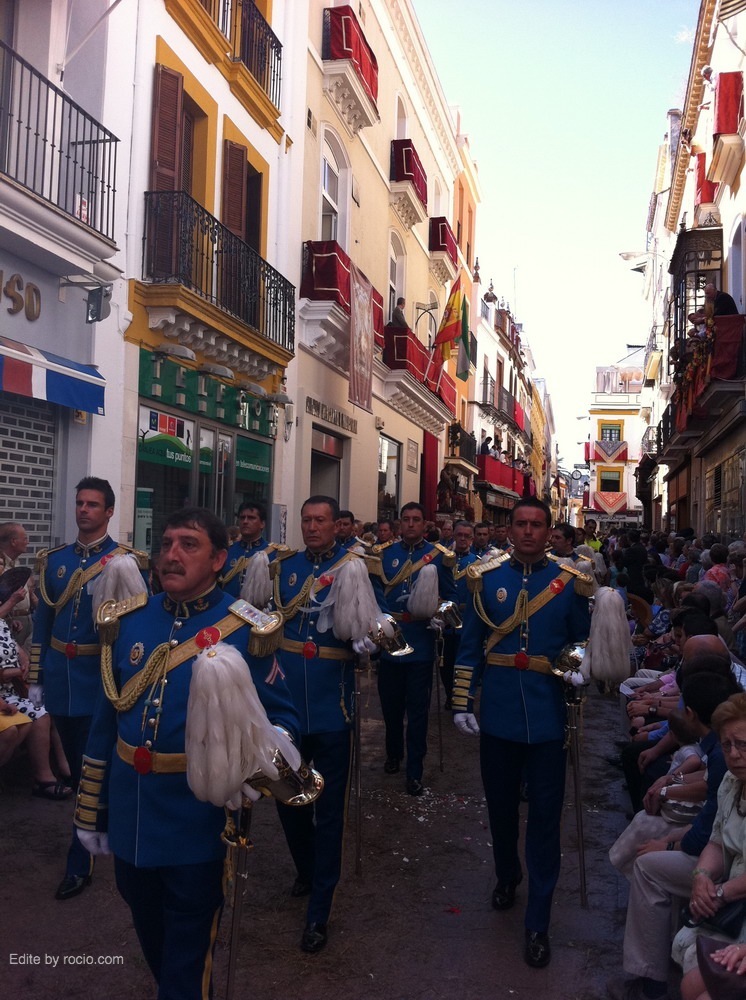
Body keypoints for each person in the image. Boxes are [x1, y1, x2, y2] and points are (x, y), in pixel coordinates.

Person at [74, 506, 300, 999]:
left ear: (219, 559)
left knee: (185, 958)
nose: (171, 555)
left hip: (199, 822)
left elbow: (282, 719)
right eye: (166, 544)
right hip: (133, 817)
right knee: (156, 940)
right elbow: (105, 721)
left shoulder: (247, 627)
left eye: (188, 545)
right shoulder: (128, 620)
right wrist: (93, 810)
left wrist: (254, 768)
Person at [452, 496, 593, 968]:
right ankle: (507, 872)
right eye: (521, 524)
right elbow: (469, 645)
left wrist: (580, 665)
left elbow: (582, 638)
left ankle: (538, 920)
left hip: (549, 717)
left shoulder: (570, 582)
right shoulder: (485, 577)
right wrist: (461, 702)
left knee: (546, 819)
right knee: (501, 808)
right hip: (498, 713)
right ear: (509, 530)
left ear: (550, 531)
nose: (529, 531)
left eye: (537, 524)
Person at [272, 495, 383, 953]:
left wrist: (371, 639)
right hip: (286, 710)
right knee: (286, 799)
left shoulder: (355, 567)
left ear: (337, 525)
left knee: (329, 810)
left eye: (320, 520)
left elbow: (378, 620)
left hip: (333, 710)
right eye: (306, 520)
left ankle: (320, 908)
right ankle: (307, 866)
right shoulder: (283, 568)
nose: (312, 527)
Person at [30, 477, 149, 900]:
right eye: (80, 503)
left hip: (99, 682)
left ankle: (80, 859)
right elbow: (43, 622)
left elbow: (135, 631)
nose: (84, 510)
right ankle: (104, 828)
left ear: (109, 511)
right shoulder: (56, 560)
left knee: (90, 773)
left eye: (93, 504)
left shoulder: (126, 563)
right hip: (61, 682)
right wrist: (36, 679)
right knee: (84, 770)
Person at [606, 671, 731, 1000]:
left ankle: (650, 979)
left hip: (728, 867)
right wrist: (669, 786)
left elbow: (711, 830)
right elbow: (716, 823)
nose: (736, 752)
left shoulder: (723, 756)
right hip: (718, 853)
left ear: (691, 713)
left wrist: (672, 844)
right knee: (647, 832)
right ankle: (659, 931)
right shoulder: (723, 757)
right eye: (732, 744)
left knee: (647, 864)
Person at [376, 501, 457, 795]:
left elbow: (450, 597)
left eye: (416, 519)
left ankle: (415, 770)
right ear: (400, 523)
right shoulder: (384, 555)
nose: (411, 524)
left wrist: (441, 616)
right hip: (390, 642)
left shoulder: (438, 556)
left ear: (425, 524)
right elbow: (376, 593)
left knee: (418, 712)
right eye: (406, 519)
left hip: (421, 643)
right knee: (390, 708)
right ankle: (393, 752)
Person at [672, 692, 746, 995]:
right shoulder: (731, 782)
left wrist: (719, 893)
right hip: (732, 900)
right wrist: (701, 876)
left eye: (743, 744)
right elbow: (716, 842)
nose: (734, 754)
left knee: (698, 984)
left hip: (735, 901)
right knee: (691, 978)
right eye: (727, 745)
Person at [0, 586, 68, 796]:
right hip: (5, 693)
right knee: (37, 713)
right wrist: (18, 672)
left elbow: (16, 648)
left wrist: (25, 661)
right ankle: (49, 774)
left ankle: (58, 769)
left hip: (16, 689)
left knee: (49, 705)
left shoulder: (3, 624)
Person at [439, 520, 476, 709]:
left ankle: (461, 697)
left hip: (466, 619)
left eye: (466, 536)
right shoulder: (443, 559)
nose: (462, 539)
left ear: (472, 538)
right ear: (453, 535)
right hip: (445, 621)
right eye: (459, 535)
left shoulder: (477, 562)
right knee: (445, 663)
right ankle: (449, 693)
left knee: (464, 662)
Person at [220, 500, 284, 601]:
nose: (245, 521)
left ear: (262, 524)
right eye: (242, 518)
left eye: (251, 518)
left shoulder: (275, 554)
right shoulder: (227, 552)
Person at [0, 521, 37, 647]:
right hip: (7, 623)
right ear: (13, 541)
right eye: (25, 539)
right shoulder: (1, 565)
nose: (28, 542)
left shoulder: (16, 563)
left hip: (24, 620)